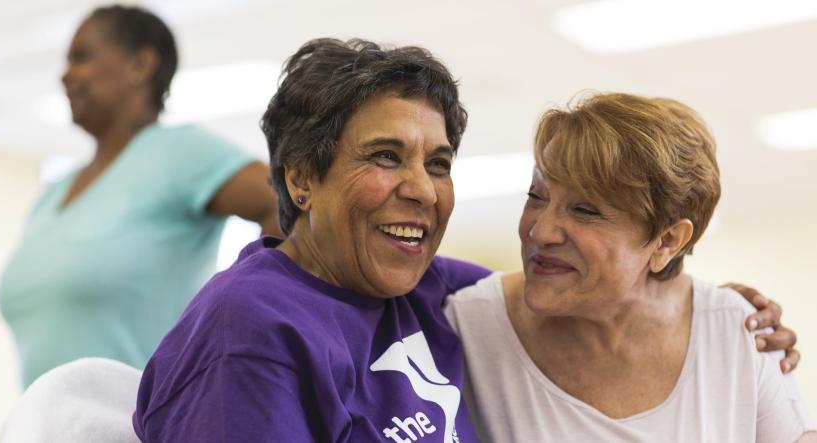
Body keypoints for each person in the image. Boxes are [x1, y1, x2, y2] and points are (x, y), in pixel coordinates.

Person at [133, 40, 798, 442]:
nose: (421, 188)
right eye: (386, 156)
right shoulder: (250, 328)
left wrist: (711, 308)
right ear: (301, 176)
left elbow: (584, 288)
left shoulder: (422, 287)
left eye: (439, 163)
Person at [443, 92, 815, 442]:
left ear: (667, 241)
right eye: (536, 197)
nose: (541, 230)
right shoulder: (468, 324)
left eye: (585, 211)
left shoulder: (739, 331)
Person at [0, 5, 281, 388]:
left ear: (140, 65)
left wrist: (250, 318)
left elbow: (285, 201)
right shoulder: (54, 193)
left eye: (82, 57)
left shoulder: (178, 153)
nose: (65, 75)